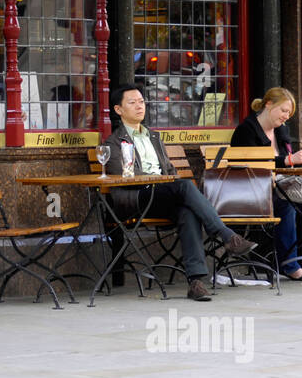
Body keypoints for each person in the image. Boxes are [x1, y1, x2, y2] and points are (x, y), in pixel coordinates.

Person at [101, 83, 257, 301]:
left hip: (163, 195)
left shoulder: (154, 137)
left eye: (142, 102)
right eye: (132, 102)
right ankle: (227, 235)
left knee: (187, 211)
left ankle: (196, 282)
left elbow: (170, 170)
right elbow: (121, 175)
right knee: (183, 186)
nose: (139, 106)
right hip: (137, 197)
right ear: (119, 110)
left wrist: (167, 182)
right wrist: (162, 181)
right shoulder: (113, 142)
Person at [231, 87, 302, 281]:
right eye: (283, 111)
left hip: (280, 187)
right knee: (287, 207)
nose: (286, 117)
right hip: (252, 191)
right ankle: (289, 264)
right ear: (268, 105)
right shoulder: (246, 130)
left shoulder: (281, 131)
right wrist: (289, 161)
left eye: (289, 113)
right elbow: (249, 166)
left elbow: (287, 160)